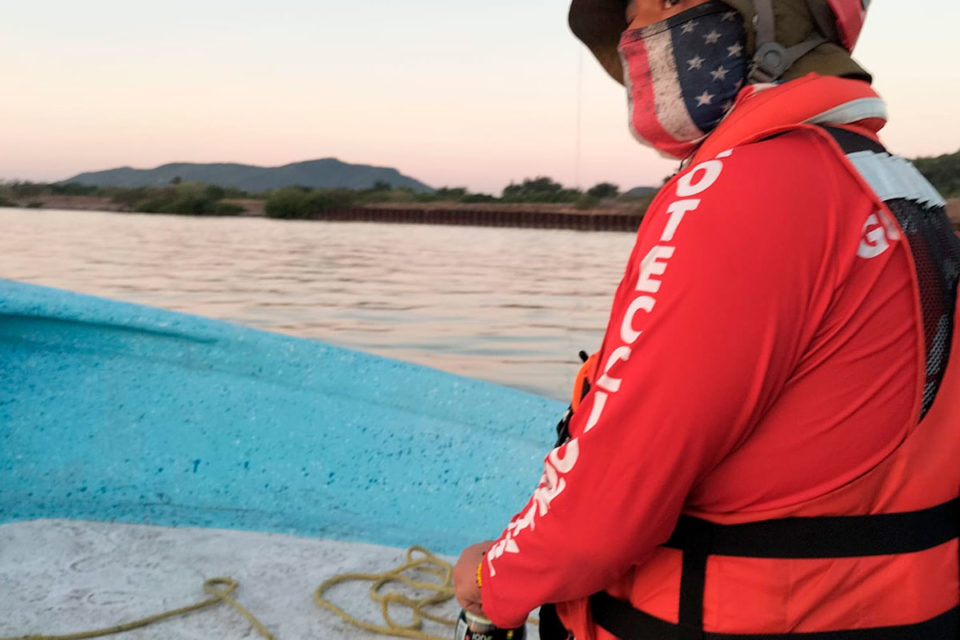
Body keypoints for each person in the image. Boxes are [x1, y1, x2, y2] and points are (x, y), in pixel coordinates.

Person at [454, 0, 960, 638]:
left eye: (661, 3)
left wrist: (489, 581)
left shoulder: (742, 187)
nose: (636, 36)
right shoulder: (901, 187)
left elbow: (607, 504)